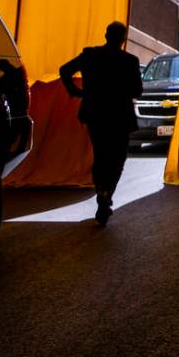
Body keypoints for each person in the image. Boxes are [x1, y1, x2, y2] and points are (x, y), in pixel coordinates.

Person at [60, 21, 143, 226]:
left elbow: (64, 70)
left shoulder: (90, 56)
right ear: (123, 39)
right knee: (118, 157)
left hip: (95, 113)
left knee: (101, 153)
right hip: (120, 116)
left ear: (106, 35)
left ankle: (101, 190)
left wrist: (75, 92)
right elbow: (137, 91)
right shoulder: (130, 61)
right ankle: (107, 193)